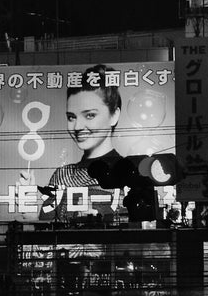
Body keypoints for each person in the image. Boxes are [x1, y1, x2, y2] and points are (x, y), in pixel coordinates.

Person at [17, 65, 157, 222]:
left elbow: (140, 226)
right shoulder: (63, 175)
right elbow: (47, 227)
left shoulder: (130, 173)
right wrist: (29, 204)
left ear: (114, 115)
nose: (77, 127)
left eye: (90, 115)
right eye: (71, 117)